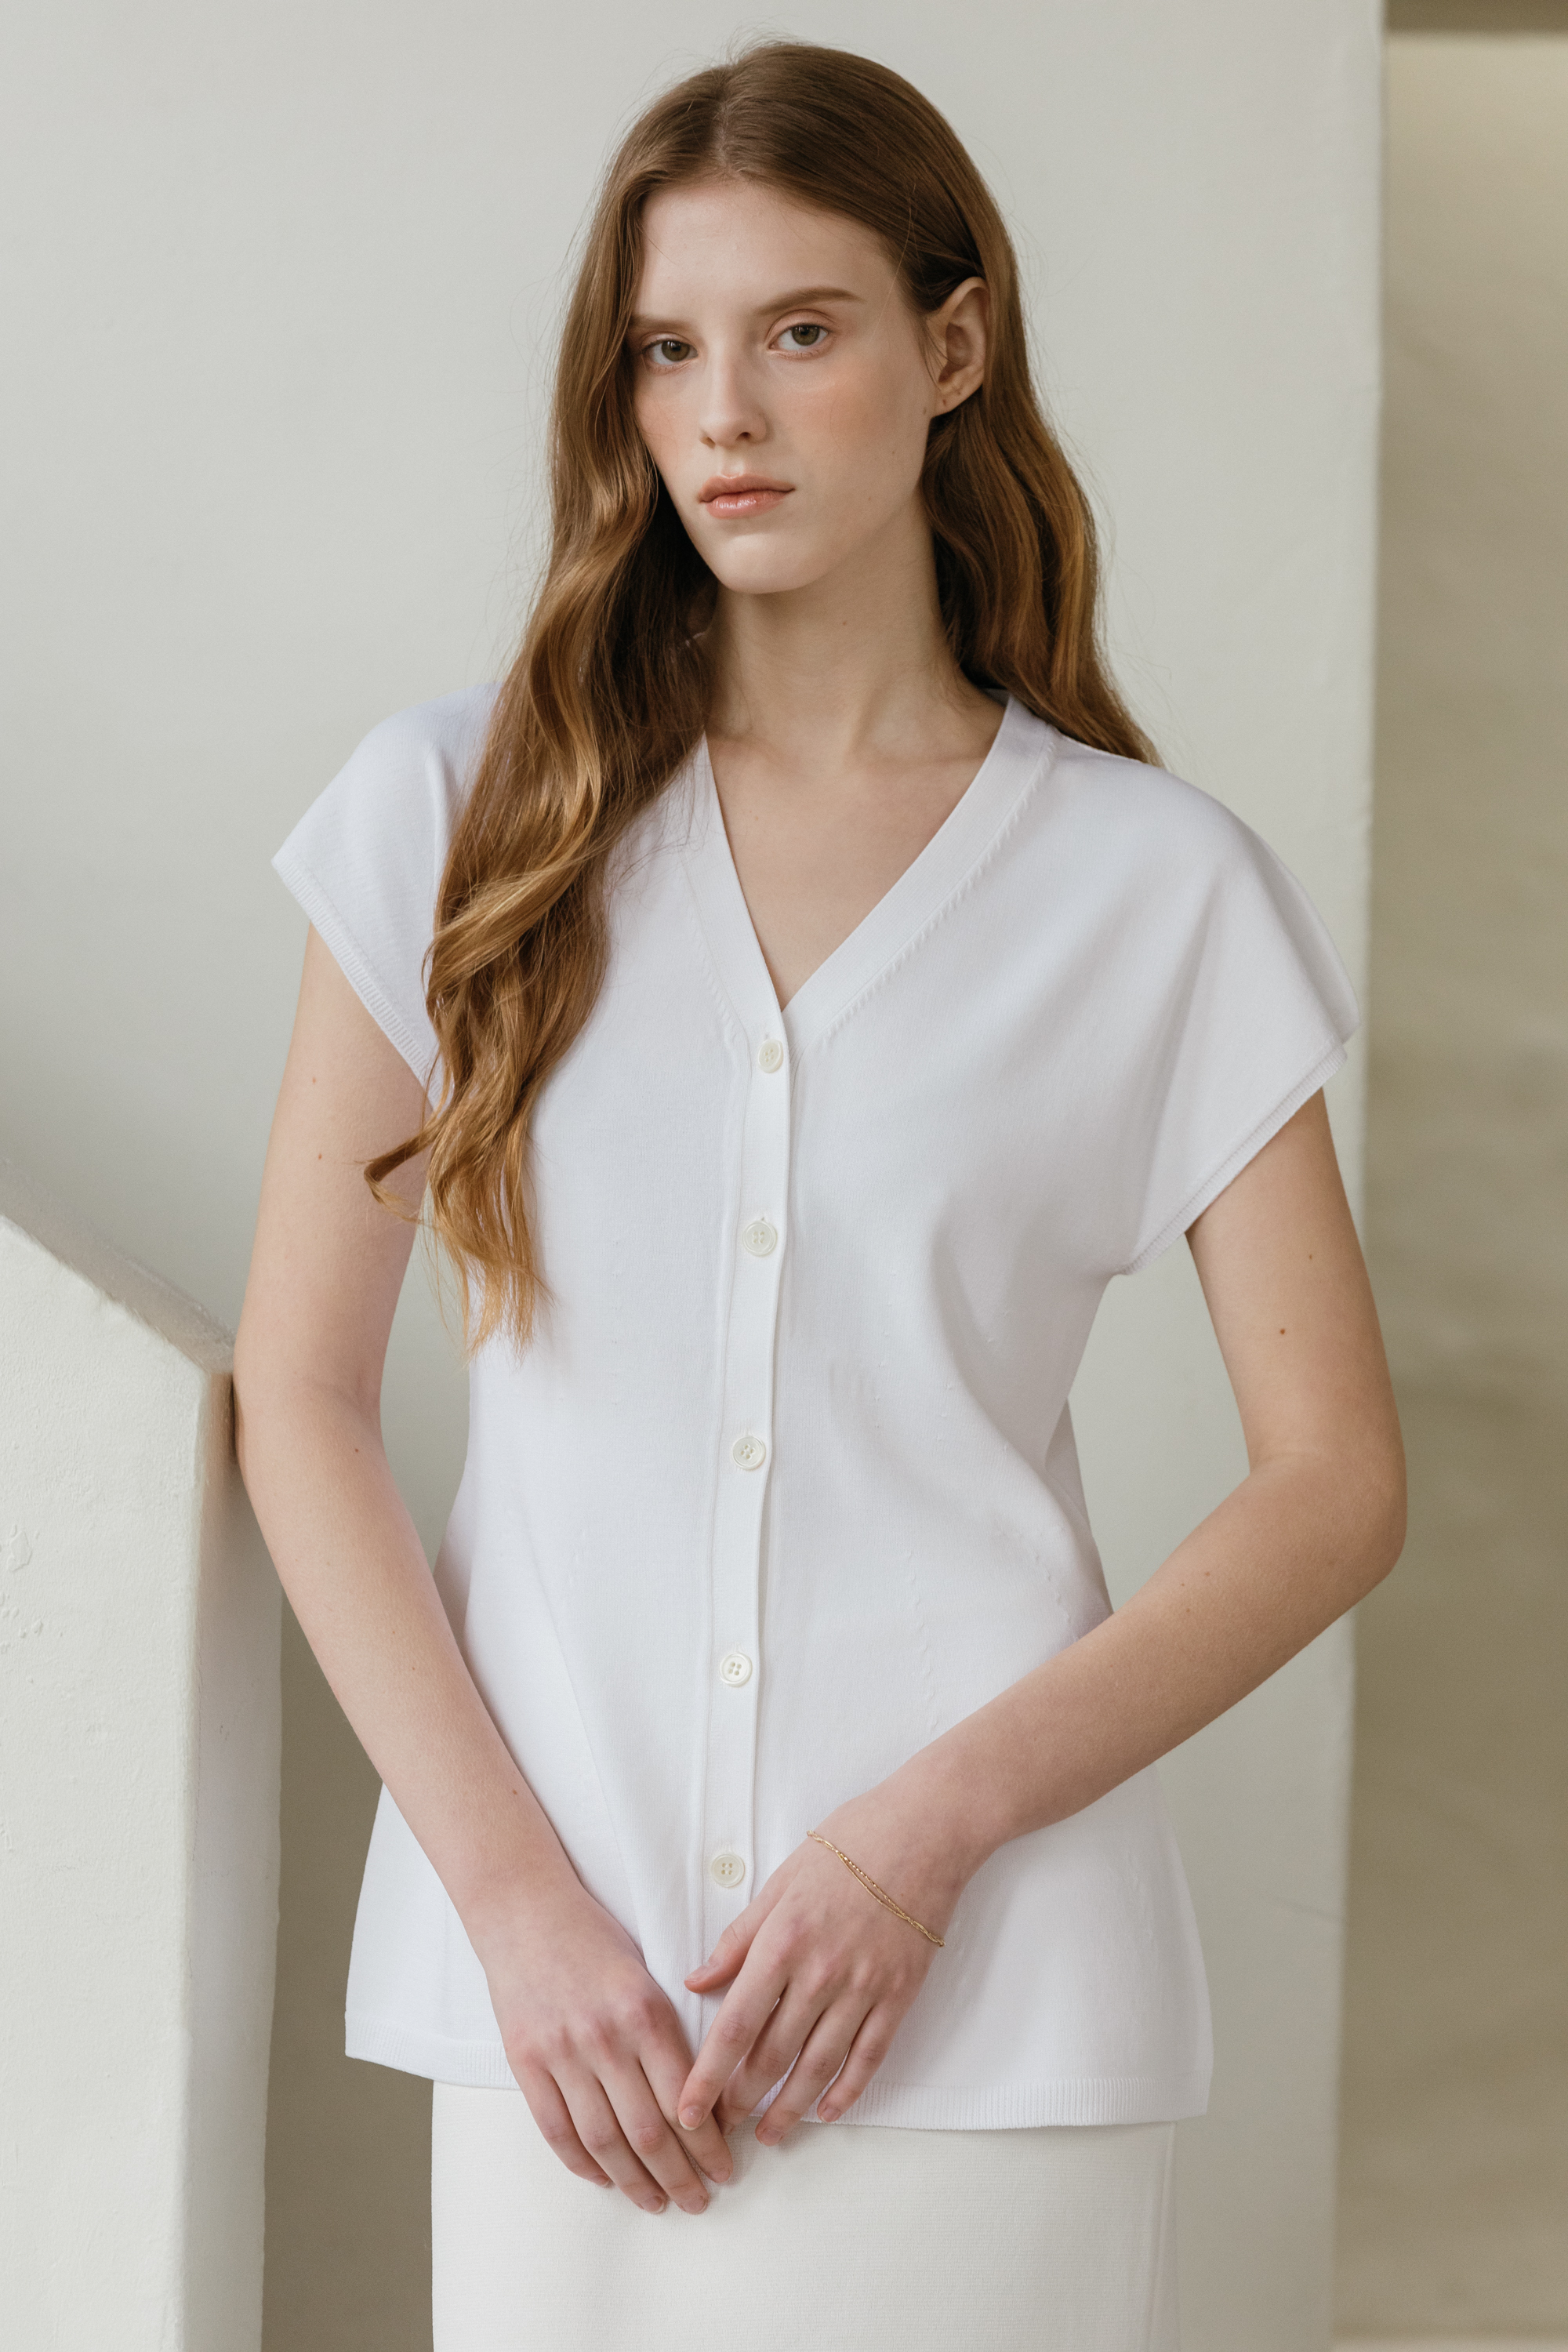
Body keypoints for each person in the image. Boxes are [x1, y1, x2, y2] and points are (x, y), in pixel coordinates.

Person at [234, 40, 1405, 2352]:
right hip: (564, 2031)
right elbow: (304, 1399)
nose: (725, 417)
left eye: (800, 330)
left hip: (992, 2021)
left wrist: (919, 1841)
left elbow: (1336, 1481)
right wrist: (518, 1913)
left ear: (952, 348)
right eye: (667, 350)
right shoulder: (457, 820)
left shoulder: (1152, 889)